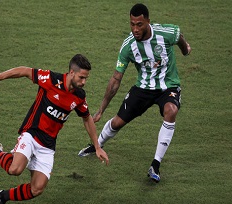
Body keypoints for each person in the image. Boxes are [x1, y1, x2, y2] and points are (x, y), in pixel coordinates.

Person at [0, 54, 109, 204]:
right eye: (82, 77)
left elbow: (87, 119)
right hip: (31, 134)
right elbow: (25, 71)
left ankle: (2, 196)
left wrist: (97, 146)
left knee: (37, 188)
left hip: (47, 145)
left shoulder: (79, 96)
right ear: (71, 73)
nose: (84, 82)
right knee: (15, 169)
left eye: (86, 78)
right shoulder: (51, 79)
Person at [78, 3, 191, 183]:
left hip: (168, 86)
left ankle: (155, 164)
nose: (135, 29)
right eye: (132, 24)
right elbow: (116, 80)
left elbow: (179, 37)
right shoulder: (129, 46)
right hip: (143, 88)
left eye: (139, 24)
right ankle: (96, 145)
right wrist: (101, 109)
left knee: (171, 110)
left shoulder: (166, 33)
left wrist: (186, 50)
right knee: (116, 123)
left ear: (148, 22)